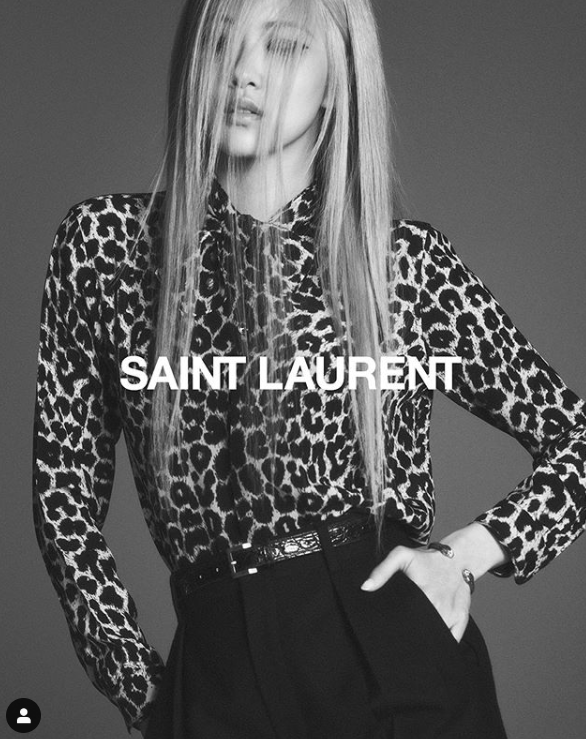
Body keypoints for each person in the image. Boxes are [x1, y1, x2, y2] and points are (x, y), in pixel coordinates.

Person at [32, 0, 586, 737]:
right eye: (222, 41)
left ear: (338, 81)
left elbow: (577, 437)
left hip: (394, 656)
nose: (244, 71)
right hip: (216, 670)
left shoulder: (400, 264)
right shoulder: (106, 250)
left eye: (285, 46)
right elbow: (64, 502)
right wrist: (150, 699)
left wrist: (463, 556)